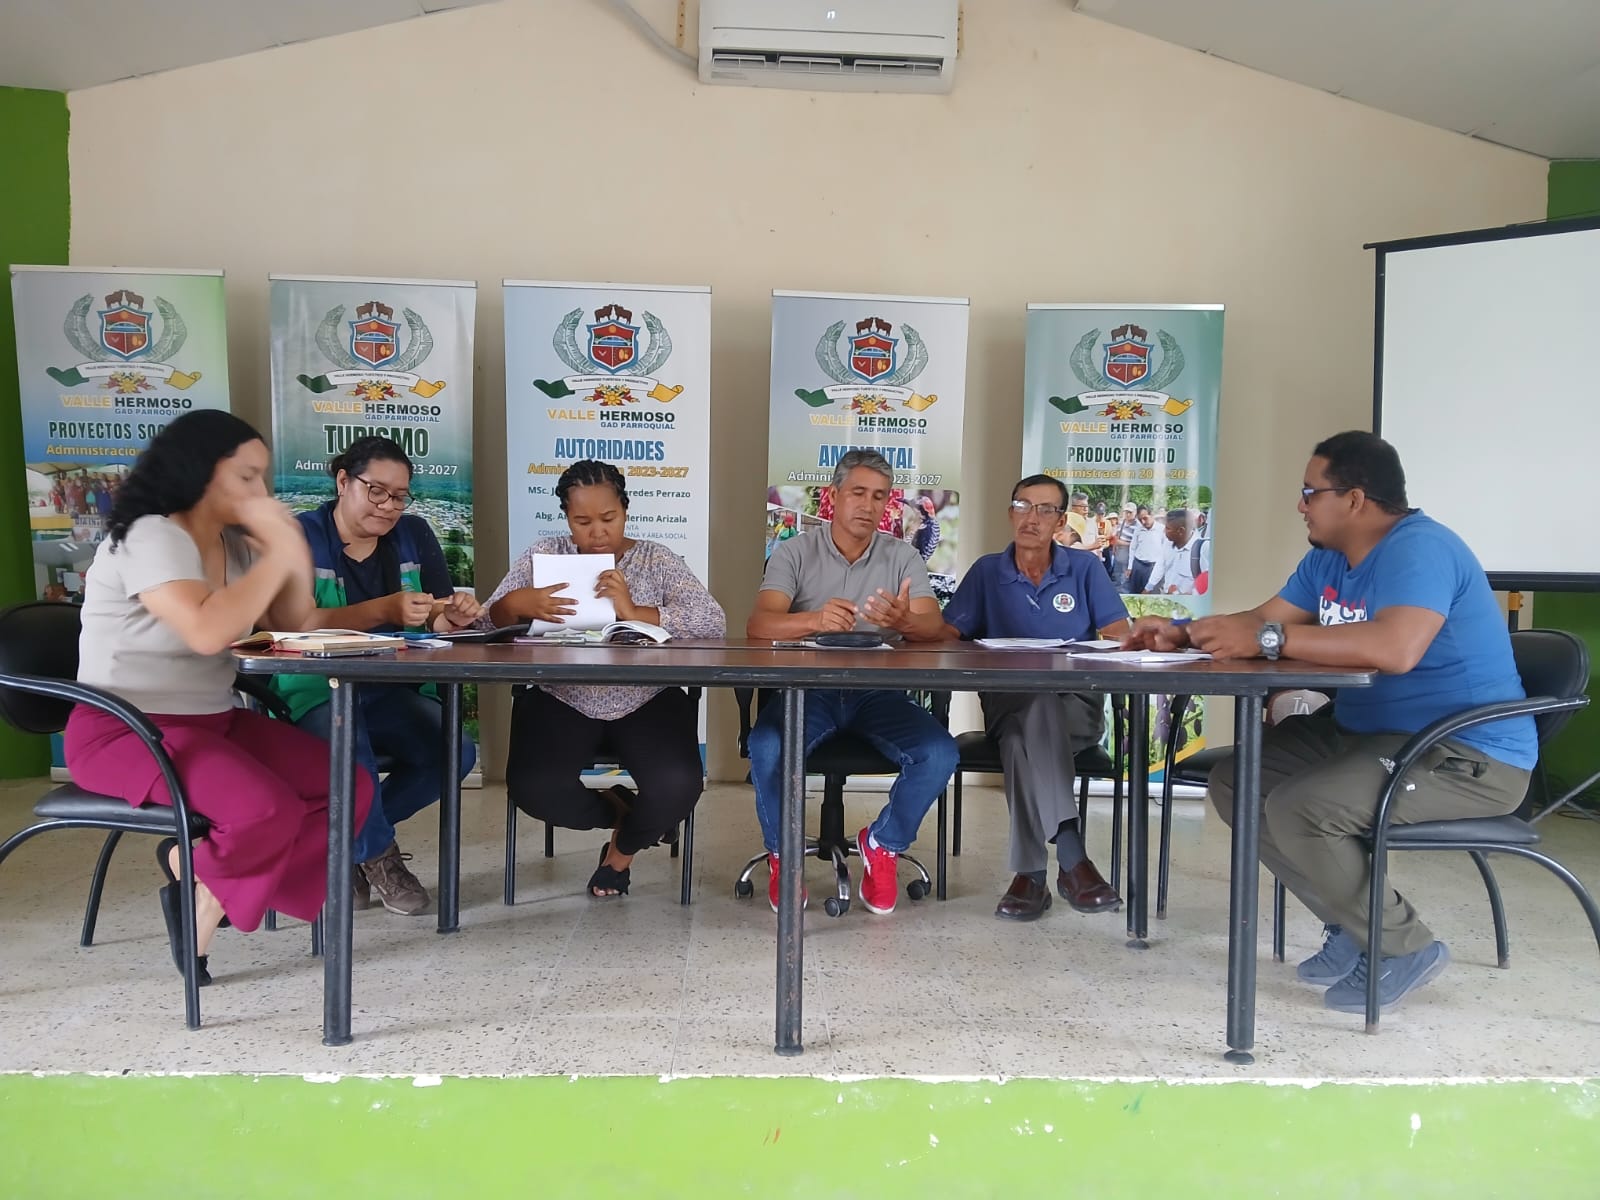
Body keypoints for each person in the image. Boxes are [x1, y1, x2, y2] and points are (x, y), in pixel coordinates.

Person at [1123, 431, 1536, 1014]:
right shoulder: (1328, 559)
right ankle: (1353, 924)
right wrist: (1182, 632)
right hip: (1367, 735)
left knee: (1303, 807)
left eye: (1310, 492)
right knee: (1239, 782)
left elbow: (1395, 648)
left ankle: (1403, 946)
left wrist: (1271, 640)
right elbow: (1263, 620)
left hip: (1463, 753)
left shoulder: (1421, 549)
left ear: (1355, 499)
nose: (1301, 505)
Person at [63, 410, 373, 985]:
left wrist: (289, 550)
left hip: (214, 720)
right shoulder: (150, 534)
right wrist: (277, 555)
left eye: (263, 478)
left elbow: (293, 622)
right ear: (200, 471)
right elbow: (207, 630)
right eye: (246, 477)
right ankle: (204, 907)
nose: (261, 492)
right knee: (264, 810)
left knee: (347, 785)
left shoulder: (234, 543)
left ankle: (200, 877)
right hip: (125, 730)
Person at [485, 460, 724, 899]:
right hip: (562, 696)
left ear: (626, 511)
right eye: (583, 521)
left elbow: (712, 621)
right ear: (566, 518)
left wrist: (635, 612)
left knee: (677, 786)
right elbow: (486, 623)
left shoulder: (655, 558)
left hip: (647, 697)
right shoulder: (547, 555)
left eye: (609, 518)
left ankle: (619, 856)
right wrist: (517, 603)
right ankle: (625, 814)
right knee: (534, 789)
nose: (597, 532)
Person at [745, 449, 958, 915]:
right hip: (808, 692)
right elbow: (759, 625)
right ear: (834, 496)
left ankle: (882, 843)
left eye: (879, 496)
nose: (868, 504)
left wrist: (905, 621)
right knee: (766, 745)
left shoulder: (902, 556)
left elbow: (934, 627)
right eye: (858, 492)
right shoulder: (795, 551)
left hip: (879, 693)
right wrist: (814, 620)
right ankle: (784, 856)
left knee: (940, 753)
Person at [276, 436, 481, 916]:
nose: (389, 506)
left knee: (455, 750)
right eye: (377, 491)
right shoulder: (299, 536)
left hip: (391, 689)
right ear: (342, 481)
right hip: (317, 691)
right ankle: (379, 856)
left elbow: (435, 614)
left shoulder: (414, 534)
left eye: (400, 496)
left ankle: (349, 845)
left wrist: (451, 617)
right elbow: (295, 623)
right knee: (351, 746)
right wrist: (384, 609)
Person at [942, 475, 1130, 920]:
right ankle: (1074, 859)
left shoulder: (1084, 569)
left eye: (1046, 510)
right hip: (1007, 702)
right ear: (1011, 513)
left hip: (1076, 708)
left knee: (1019, 740)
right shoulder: (987, 571)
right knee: (1030, 711)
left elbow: (1118, 635)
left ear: (1061, 522)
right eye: (1024, 506)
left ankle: (1031, 876)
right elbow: (947, 634)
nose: (1033, 517)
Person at [1144, 508, 1210, 596]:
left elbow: (1209, 586)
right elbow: (1161, 564)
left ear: (1181, 530)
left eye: (1167, 528)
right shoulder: (1168, 542)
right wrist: (1148, 587)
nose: (1164, 531)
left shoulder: (1203, 549)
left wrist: (1184, 595)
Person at [1125, 505, 1164, 594]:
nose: (1143, 522)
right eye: (1140, 520)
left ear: (1152, 515)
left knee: (1151, 594)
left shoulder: (1162, 530)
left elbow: (1165, 552)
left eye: (1145, 518)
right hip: (1138, 565)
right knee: (1134, 593)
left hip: (1153, 567)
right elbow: (1133, 548)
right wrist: (1130, 567)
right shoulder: (1138, 530)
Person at [1112, 501, 1140, 588]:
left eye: (1130, 512)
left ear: (1135, 512)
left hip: (1129, 554)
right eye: (1126, 512)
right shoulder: (1121, 522)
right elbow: (1117, 535)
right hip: (1118, 553)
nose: (1127, 514)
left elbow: (1137, 544)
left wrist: (1123, 543)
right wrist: (1114, 548)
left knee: (1125, 577)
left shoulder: (1138, 526)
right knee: (1116, 574)